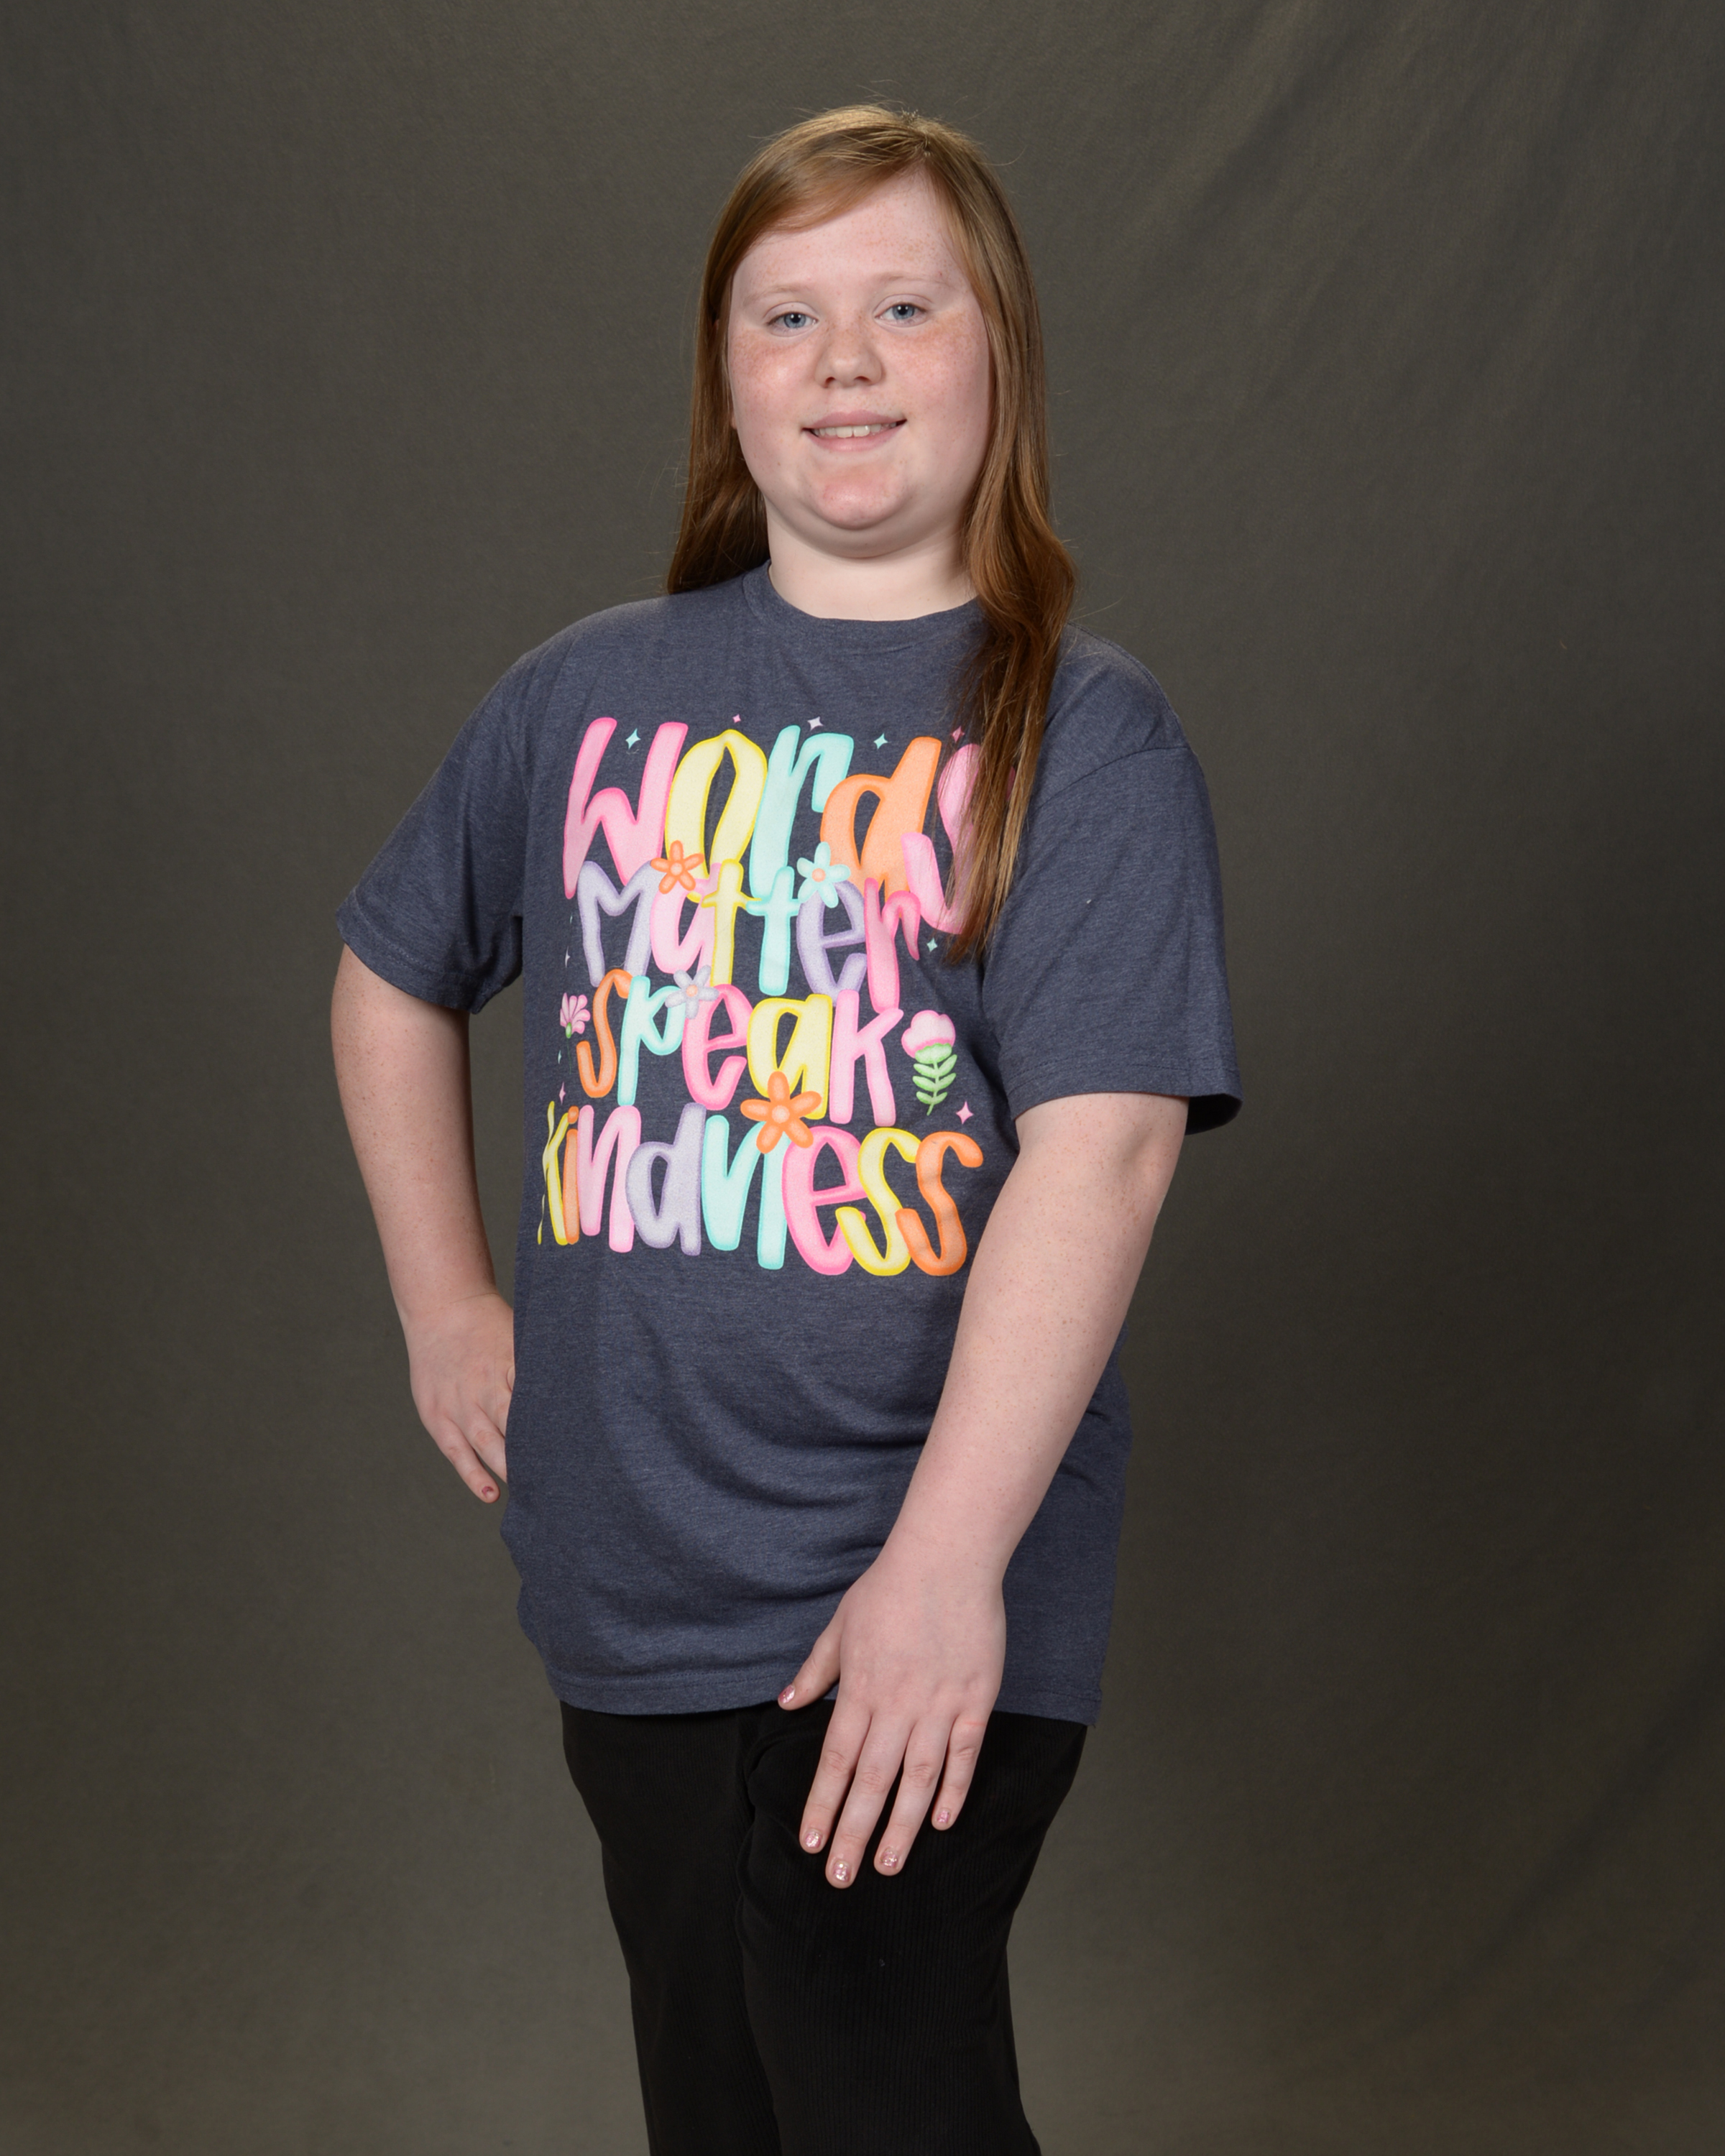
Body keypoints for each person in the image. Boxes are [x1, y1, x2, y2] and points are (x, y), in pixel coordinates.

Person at [331, 104, 1239, 2156]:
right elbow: (391, 972)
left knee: (874, 2082)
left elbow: (1104, 1155)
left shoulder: (1080, 732)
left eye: (905, 308)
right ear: (723, 374)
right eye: (787, 314)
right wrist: (448, 1304)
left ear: (998, 352)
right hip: (632, 1582)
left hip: (918, 1574)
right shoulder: (582, 700)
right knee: (722, 2101)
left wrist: (943, 1569)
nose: (845, 361)